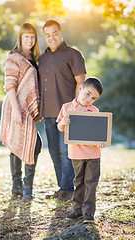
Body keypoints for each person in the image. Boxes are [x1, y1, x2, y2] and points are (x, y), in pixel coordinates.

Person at [38, 20, 86, 201]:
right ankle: (63, 189)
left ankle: (69, 189)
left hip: (67, 114)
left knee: (67, 153)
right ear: (45, 37)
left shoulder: (73, 54)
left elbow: (81, 84)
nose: (52, 37)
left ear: (61, 33)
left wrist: (76, 109)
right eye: (47, 35)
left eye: (55, 33)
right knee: (54, 153)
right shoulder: (42, 59)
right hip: (48, 113)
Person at [0, 22, 42, 199]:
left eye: (33, 36)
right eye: (26, 36)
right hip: (15, 106)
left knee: (33, 145)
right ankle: (21, 186)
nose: (30, 39)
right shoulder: (13, 57)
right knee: (23, 144)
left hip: (28, 109)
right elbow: (10, 85)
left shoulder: (35, 58)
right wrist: (16, 110)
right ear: (20, 37)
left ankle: (22, 187)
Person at [57, 77, 107, 222]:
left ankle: (89, 213)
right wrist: (63, 122)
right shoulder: (67, 108)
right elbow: (60, 127)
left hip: (93, 154)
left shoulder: (95, 110)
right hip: (76, 154)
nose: (89, 99)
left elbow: (100, 133)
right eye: (87, 94)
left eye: (93, 98)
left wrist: (103, 142)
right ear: (80, 89)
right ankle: (77, 210)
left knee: (91, 183)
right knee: (78, 182)